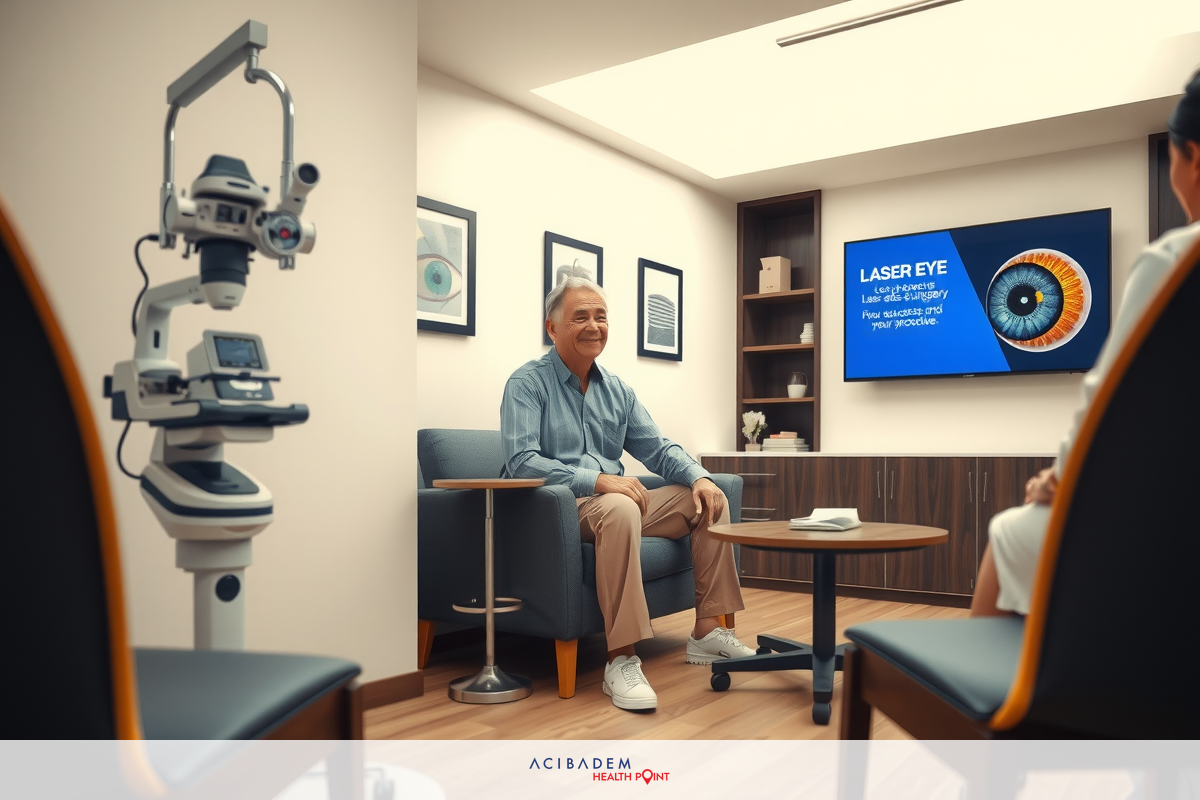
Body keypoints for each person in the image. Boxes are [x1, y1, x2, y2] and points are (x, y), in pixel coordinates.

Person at [971, 70, 1200, 617]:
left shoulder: (1176, 260)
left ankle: (994, 699)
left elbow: (1111, 406)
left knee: (1011, 530)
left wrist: (1058, 479)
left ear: (1190, 155)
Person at [500, 276, 754, 711]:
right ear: (552, 328)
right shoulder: (527, 384)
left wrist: (699, 476)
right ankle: (621, 659)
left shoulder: (617, 390)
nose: (593, 325)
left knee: (708, 500)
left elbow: (657, 448)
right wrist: (597, 480)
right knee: (619, 506)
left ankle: (707, 633)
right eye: (580, 316)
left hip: (615, 504)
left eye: (601, 316)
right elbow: (522, 461)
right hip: (556, 510)